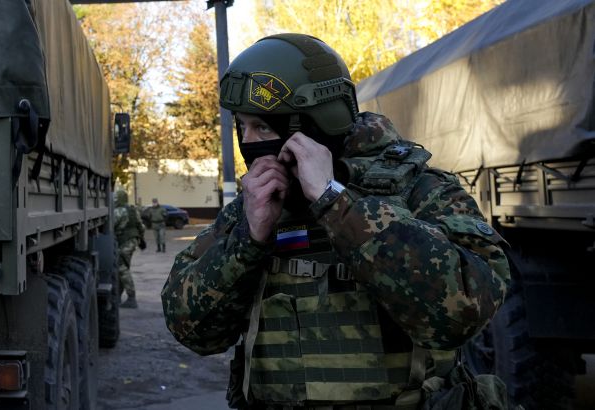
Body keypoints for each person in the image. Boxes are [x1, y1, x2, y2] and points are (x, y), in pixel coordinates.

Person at [161, 33, 511, 409]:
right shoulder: (255, 206)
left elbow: (463, 312)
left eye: (263, 127)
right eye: (241, 127)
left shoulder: (420, 190)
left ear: (314, 125)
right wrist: (248, 241)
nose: (248, 142)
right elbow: (192, 331)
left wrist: (337, 205)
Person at [114, 190, 146, 309]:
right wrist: (141, 240)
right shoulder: (132, 210)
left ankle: (131, 297)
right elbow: (141, 226)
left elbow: (111, 227)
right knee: (123, 268)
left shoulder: (118, 211)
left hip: (124, 243)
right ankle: (118, 296)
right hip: (132, 241)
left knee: (122, 269)